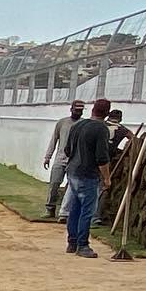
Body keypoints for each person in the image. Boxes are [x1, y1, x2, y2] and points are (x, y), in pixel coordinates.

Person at [64, 97, 111, 258]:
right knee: (87, 211)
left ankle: (72, 242)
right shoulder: (101, 129)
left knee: (75, 208)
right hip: (87, 173)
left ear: (92, 110)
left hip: (72, 171)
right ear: (107, 113)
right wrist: (107, 178)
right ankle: (83, 245)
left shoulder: (77, 125)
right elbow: (102, 158)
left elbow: (67, 150)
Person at [43, 100, 84, 219]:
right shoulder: (62, 123)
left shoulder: (83, 124)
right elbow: (54, 140)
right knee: (54, 183)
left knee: (72, 187)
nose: (78, 112)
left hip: (75, 160)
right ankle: (50, 208)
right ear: (71, 109)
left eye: (80, 111)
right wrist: (48, 157)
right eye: (76, 110)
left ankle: (66, 212)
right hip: (60, 159)